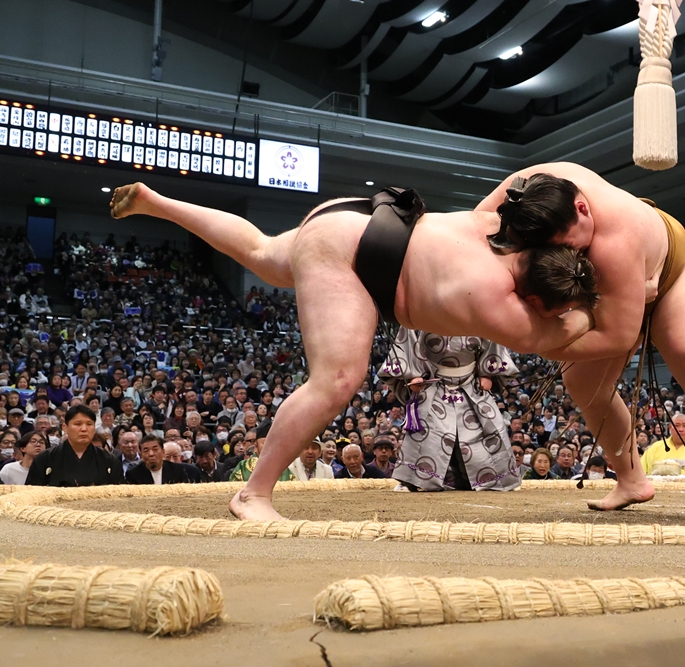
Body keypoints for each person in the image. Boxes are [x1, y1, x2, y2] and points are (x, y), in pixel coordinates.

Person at [111, 182, 597, 520]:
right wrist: (602, 310)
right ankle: (253, 493)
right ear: (534, 300)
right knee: (337, 381)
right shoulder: (494, 298)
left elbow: (528, 184)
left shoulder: (498, 221)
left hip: (364, 214)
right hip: (351, 258)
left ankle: (159, 202)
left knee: (261, 252)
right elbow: (548, 339)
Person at [476, 164, 685, 524]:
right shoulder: (517, 197)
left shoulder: (616, 238)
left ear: (582, 209)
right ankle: (631, 480)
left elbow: (617, 337)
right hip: (601, 290)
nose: (569, 254)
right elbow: (475, 237)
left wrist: (535, 342)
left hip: (669, 271)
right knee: (583, 382)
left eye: (573, 247)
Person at [378, 329, 520, 491]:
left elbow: (494, 338)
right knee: (425, 428)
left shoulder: (480, 310)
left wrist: (488, 374)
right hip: (432, 383)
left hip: (471, 385)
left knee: (489, 424)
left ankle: (492, 478)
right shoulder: (419, 310)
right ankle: (416, 480)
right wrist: (413, 374)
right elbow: (406, 340)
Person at [26, 406, 124, 486]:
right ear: (65, 427)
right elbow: (33, 494)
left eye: (89, 424)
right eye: (78, 424)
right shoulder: (45, 458)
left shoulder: (109, 460)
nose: (84, 429)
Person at [639, 414, 685, 482]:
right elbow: (641, 472)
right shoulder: (655, 448)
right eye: (677, 425)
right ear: (670, 427)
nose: (680, 429)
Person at [228, 424, 296, 483]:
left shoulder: (283, 467)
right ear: (256, 445)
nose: (269, 446)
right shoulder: (243, 466)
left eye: (273, 443)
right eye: (265, 442)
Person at [126, 435, 191, 485]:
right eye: (146, 450)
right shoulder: (133, 474)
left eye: (155, 449)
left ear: (163, 452)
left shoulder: (177, 470)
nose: (151, 454)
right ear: (141, 455)